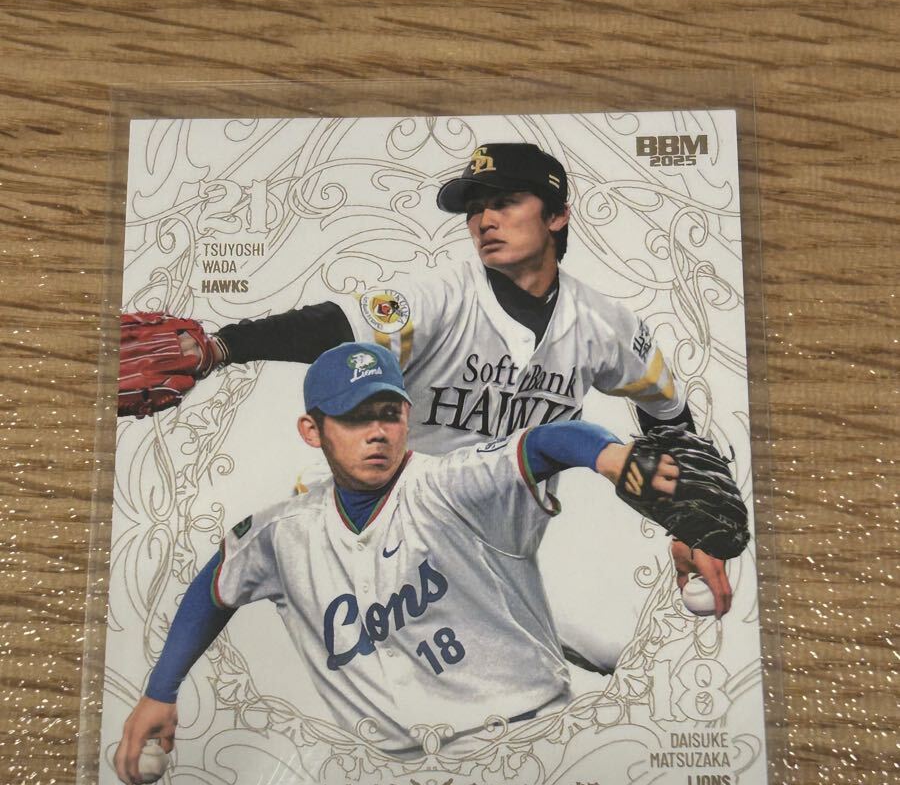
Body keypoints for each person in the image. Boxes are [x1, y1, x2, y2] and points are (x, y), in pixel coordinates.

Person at [126, 142, 732, 667]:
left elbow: (670, 424)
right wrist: (222, 347)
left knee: (612, 651)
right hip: (390, 530)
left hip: (504, 550)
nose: (484, 220)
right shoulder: (441, 297)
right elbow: (334, 325)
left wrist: (690, 529)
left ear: (557, 214)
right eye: (475, 208)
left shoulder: (606, 325)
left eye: (504, 202)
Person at [114, 342, 681, 785]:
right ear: (312, 430)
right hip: (396, 780)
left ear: (407, 417)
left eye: (388, 414)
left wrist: (609, 455)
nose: (377, 433)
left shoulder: (451, 483)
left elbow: (542, 444)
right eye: (355, 418)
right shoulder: (283, 534)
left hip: (532, 745)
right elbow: (214, 585)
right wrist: (160, 691)